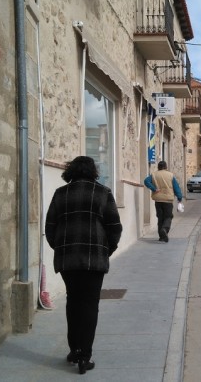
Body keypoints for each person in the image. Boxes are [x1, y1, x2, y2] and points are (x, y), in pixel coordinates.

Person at [44, 156, 122, 374]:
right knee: (89, 305)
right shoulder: (103, 193)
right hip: (93, 260)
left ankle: (74, 349)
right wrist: (107, 250)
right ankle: (84, 357)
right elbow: (115, 227)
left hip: (67, 260)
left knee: (73, 303)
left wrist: (60, 247)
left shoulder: (60, 194)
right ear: (92, 171)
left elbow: (50, 227)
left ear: (71, 171)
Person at [143, 160, 183, 243]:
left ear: (158, 167)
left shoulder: (154, 175)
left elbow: (146, 181)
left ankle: (161, 237)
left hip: (158, 199)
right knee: (168, 217)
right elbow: (176, 188)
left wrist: (154, 189)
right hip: (168, 200)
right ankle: (164, 229)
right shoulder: (170, 175)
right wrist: (179, 198)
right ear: (166, 167)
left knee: (160, 218)